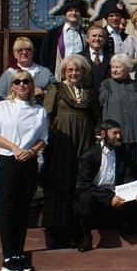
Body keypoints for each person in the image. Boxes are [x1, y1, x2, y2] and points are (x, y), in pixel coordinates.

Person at [0, 70, 49, 271]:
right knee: (8, 208)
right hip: (8, 160)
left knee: (23, 208)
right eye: (18, 82)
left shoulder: (38, 110)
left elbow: (44, 138)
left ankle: (19, 252)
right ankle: (8, 255)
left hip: (29, 162)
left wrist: (32, 151)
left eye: (26, 81)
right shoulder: (2, 106)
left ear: (32, 85)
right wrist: (14, 148)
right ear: (12, 86)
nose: (22, 84)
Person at [40, 54, 99, 249]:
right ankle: (58, 234)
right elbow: (47, 114)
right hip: (61, 143)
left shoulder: (89, 92)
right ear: (64, 72)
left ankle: (81, 233)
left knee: (80, 185)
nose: (74, 73)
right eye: (70, 70)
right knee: (61, 182)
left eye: (78, 70)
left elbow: (96, 118)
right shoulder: (56, 88)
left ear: (84, 72)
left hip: (84, 142)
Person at [75, 120, 137, 252]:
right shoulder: (89, 155)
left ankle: (125, 227)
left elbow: (128, 176)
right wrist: (108, 198)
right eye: (114, 133)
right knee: (85, 200)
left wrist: (133, 192)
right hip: (95, 194)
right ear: (103, 134)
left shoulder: (122, 153)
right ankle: (86, 236)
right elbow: (83, 184)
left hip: (116, 193)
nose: (118, 137)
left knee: (135, 206)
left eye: (119, 133)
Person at [99, 54, 137, 182]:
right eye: (113, 67)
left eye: (118, 67)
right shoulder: (106, 85)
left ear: (127, 69)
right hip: (116, 139)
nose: (114, 70)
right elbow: (98, 109)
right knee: (118, 172)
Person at [38, 0, 90, 76]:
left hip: (80, 75)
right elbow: (44, 57)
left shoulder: (86, 34)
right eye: (70, 10)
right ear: (65, 14)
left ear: (80, 14)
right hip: (59, 75)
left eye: (76, 11)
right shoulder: (53, 33)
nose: (73, 13)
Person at [0, 37, 54, 104]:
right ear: (15, 54)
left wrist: (43, 93)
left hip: (40, 111)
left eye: (28, 49)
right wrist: (14, 102)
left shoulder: (45, 72)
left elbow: (57, 91)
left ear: (33, 52)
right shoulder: (8, 73)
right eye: (20, 50)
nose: (24, 53)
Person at [80, 25, 112, 96]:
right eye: (94, 36)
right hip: (85, 98)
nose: (97, 38)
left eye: (100, 36)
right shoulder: (79, 58)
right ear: (87, 39)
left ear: (105, 39)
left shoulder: (112, 57)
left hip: (107, 98)